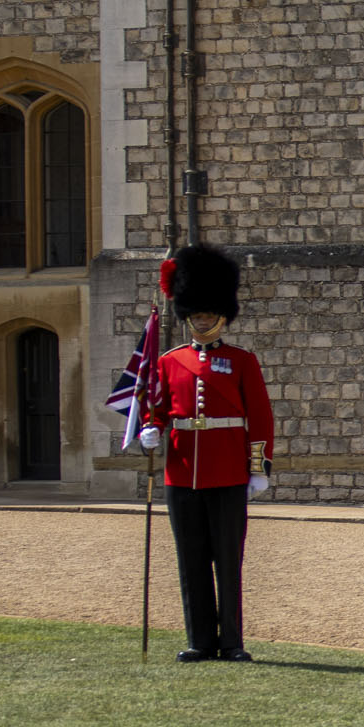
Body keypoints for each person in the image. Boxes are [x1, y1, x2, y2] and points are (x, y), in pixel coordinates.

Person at [139, 243, 273, 663]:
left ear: (220, 315)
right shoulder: (169, 361)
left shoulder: (241, 361)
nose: (201, 319)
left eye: (207, 313)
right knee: (191, 560)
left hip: (229, 470)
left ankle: (232, 641)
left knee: (228, 562)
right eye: (195, 314)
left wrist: (259, 467)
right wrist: (151, 427)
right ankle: (200, 639)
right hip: (182, 474)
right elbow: (157, 408)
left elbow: (260, 418)